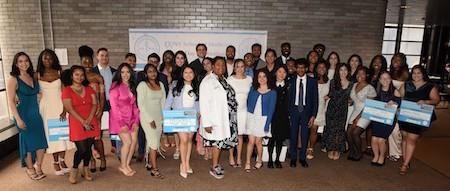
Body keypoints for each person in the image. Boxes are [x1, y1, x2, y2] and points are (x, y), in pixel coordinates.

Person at [7, 52, 48, 180]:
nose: (24, 63)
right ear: (16, 64)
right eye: (20, 61)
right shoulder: (13, 79)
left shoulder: (33, 76)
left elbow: (40, 93)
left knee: (41, 142)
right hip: (22, 115)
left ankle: (38, 166)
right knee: (28, 143)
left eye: (26, 61)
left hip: (36, 114)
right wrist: (18, 119)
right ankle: (30, 169)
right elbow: (11, 101)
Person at [36, 49, 74, 176]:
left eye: (50, 58)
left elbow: (65, 92)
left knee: (62, 134)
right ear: (41, 60)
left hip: (59, 106)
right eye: (45, 58)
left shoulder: (60, 72)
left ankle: (63, 160)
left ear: (54, 59)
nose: (48, 61)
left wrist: (65, 109)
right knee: (52, 136)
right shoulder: (37, 75)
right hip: (46, 108)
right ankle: (55, 162)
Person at [199, 56, 238, 179]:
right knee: (218, 143)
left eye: (223, 65)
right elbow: (204, 103)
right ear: (212, 66)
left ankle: (216, 164)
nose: (221, 67)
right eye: (218, 65)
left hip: (227, 117)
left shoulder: (223, 79)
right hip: (216, 118)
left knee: (221, 142)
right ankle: (214, 166)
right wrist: (206, 123)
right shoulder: (207, 81)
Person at [398, 65, 440, 175]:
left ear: (423, 74)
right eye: (414, 73)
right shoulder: (406, 84)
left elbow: (436, 100)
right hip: (405, 114)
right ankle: (406, 159)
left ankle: (405, 164)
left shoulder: (430, 86)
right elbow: (398, 96)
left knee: (411, 139)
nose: (416, 75)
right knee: (405, 137)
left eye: (419, 73)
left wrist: (426, 102)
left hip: (419, 116)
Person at [61, 65, 99, 184]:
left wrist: (88, 119)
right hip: (77, 122)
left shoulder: (89, 89)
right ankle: (75, 169)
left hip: (91, 120)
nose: (79, 77)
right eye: (76, 74)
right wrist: (83, 121)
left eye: (82, 75)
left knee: (88, 148)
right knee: (81, 149)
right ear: (72, 76)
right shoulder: (67, 90)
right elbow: (69, 109)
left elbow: (94, 104)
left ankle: (86, 169)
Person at [165, 65, 200, 178]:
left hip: (192, 116)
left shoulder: (197, 86)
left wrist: (199, 113)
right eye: (186, 72)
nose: (188, 74)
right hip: (178, 115)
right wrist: (165, 115)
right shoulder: (175, 85)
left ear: (194, 74)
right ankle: (183, 164)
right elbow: (169, 101)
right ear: (182, 74)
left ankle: (187, 163)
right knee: (183, 140)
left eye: (191, 72)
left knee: (189, 140)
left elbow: (199, 102)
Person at [78, 46, 106, 172]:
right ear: (80, 63)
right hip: (82, 113)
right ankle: (92, 160)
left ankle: (103, 158)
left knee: (97, 139)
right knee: (86, 140)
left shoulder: (98, 77)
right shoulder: (78, 78)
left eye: (89, 61)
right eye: (84, 62)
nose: (88, 64)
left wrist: (100, 111)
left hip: (96, 112)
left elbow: (102, 96)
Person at [109, 63, 140, 176]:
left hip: (132, 118)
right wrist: (122, 123)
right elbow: (114, 107)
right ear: (119, 73)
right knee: (127, 142)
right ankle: (123, 166)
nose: (125, 74)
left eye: (127, 72)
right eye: (122, 72)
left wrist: (136, 121)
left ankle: (126, 164)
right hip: (119, 119)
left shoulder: (132, 86)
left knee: (134, 141)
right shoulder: (115, 87)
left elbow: (136, 106)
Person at [136, 64, 166, 179]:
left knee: (153, 141)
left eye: (154, 71)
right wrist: (149, 119)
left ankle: (148, 162)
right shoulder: (142, 85)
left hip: (158, 117)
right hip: (147, 117)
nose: (152, 73)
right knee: (154, 143)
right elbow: (141, 105)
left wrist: (163, 118)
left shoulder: (161, 84)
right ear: (145, 74)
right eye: (150, 71)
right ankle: (154, 169)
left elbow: (163, 102)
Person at [288, 59, 319, 167]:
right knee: (293, 134)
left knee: (305, 135)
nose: (300, 69)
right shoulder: (291, 81)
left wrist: (313, 115)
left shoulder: (312, 81)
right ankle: (293, 157)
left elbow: (315, 99)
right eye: (298, 67)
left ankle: (302, 158)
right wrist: (289, 112)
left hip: (306, 111)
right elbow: (289, 98)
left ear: (306, 68)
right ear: (295, 68)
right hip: (294, 110)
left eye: (303, 67)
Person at [245, 69, 277, 172]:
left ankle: (259, 160)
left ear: (268, 78)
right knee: (251, 141)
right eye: (259, 76)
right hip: (251, 117)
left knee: (258, 141)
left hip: (263, 119)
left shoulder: (272, 92)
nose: (262, 79)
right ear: (256, 78)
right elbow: (248, 103)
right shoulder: (253, 89)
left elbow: (271, 110)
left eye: (264, 76)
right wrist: (247, 118)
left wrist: (267, 124)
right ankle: (248, 162)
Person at [322, 63, 353, 160]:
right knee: (331, 128)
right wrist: (326, 97)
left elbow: (352, 98)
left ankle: (338, 149)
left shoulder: (351, 84)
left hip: (343, 109)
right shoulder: (333, 82)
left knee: (340, 129)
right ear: (337, 71)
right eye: (341, 70)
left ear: (348, 71)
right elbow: (330, 94)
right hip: (332, 108)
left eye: (345, 70)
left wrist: (351, 101)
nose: (343, 72)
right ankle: (331, 148)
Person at [371, 71, 401, 167]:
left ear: (391, 79)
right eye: (382, 78)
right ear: (379, 80)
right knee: (374, 139)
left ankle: (382, 157)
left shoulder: (395, 91)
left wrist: (394, 103)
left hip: (389, 119)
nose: (385, 80)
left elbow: (399, 104)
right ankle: (376, 155)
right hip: (377, 118)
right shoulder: (376, 91)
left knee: (381, 140)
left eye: (387, 78)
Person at [346, 66, 376, 161]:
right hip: (355, 110)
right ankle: (352, 151)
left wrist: (358, 118)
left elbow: (369, 106)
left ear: (366, 75)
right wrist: (350, 101)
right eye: (358, 73)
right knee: (348, 132)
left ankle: (359, 153)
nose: (360, 75)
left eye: (362, 73)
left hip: (366, 112)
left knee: (355, 133)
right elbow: (353, 99)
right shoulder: (354, 85)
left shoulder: (370, 88)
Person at [227, 59, 252, 168]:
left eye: (242, 66)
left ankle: (238, 158)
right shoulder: (230, 79)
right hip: (232, 111)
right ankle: (231, 156)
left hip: (243, 111)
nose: (240, 69)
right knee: (232, 135)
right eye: (238, 66)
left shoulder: (249, 79)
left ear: (245, 68)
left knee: (240, 135)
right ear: (234, 68)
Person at [92, 47, 115, 169]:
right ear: (97, 56)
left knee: (112, 125)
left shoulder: (114, 71)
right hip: (97, 103)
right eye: (102, 55)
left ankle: (114, 146)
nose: (104, 58)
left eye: (106, 55)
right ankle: (96, 150)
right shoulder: (92, 71)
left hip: (112, 102)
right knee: (98, 127)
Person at [388, 52, 409, 162]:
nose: (395, 61)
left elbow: (407, 92)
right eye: (394, 59)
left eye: (398, 60)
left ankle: (398, 152)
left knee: (397, 130)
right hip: (391, 103)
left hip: (401, 104)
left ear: (403, 62)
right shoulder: (391, 72)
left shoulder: (405, 73)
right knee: (392, 128)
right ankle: (394, 153)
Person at [268, 66, 290, 168]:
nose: (281, 74)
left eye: (284, 72)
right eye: (279, 71)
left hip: (284, 116)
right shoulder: (270, 86)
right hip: (273, 115)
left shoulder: (289, 86)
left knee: (280, 139)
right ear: (276, 73)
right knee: (272, 138)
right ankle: (270, 159)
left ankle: (277, 159)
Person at [306, 61, 329, 160]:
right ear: (316, 68)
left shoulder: (329, 81)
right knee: (309, 128)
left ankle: (311, 148)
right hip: (310, 106)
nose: (322, 69)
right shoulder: (311, 79)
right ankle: (305, 146)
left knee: (314, 129)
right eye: (319, 67)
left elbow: (331, 93)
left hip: (321, 108)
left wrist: (329, 97)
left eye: (324, 67)